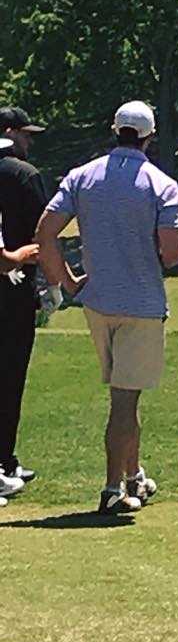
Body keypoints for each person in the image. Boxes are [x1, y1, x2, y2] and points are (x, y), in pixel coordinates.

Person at [36, 101, 178, 516]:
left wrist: (66, 281)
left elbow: (45, 233)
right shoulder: (161, 184)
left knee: (126, 398)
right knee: (124, 402)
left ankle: (135, 474)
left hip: (97, 302)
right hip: (141, 303)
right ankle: (111, 487)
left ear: (113, 130)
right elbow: (172, 254)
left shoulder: (82, 176)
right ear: (149, 137)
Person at [0, 106, 51, 501]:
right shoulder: (24, 176)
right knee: (11, 375)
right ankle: (2, 460)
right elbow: (44, 236)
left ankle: (6, 458)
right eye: (24, 133)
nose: (28, 141)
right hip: (14, 288)